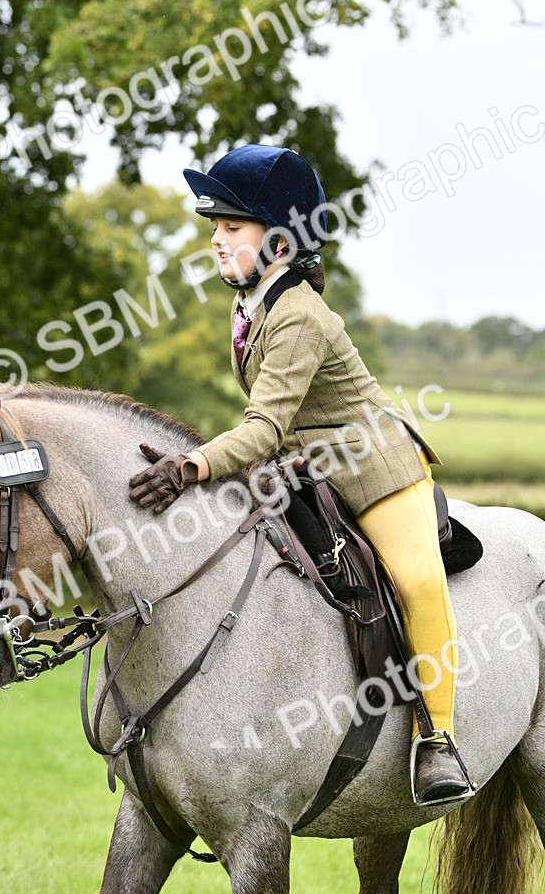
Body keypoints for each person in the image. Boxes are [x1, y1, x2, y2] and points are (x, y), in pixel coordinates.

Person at [128, 143, 472, 806]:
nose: (217, 242)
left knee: (418, 582)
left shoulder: (301, 317)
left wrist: (194, 464)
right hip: (307, 467)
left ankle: (438, 741)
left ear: (280, 242)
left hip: (375, 466)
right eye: (215, 230)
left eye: (232, 229)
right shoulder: (254, 304)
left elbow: (261, 425)